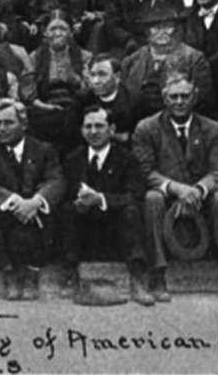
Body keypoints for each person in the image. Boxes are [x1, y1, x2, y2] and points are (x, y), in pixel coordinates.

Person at [133, 71, 218, 303]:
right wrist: (177, 189)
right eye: (173, 96)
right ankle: (157, 274)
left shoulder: (211, 128)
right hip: (167, 199)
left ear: (194, 96)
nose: (179, 102)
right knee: (151, 198)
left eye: (184, 96)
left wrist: (198, 189)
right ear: (164, 98)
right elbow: (146, 173)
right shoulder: (147, 128)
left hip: (200, 200)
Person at [0, 99, 64, 300]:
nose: (1, 129)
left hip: (35, 214)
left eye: (8, 123)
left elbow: (56, 180)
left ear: (24, 124)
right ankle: (9, 273)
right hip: (3, 213)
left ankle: (32, 274)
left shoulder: (43, 149)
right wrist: (14, 201)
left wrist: (36, 202)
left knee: (50, 206)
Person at [59, 106, 153, 306]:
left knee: (131, 211)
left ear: (112, 129)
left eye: (99, 126)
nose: (93, 132)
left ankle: (138, 279)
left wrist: (100, 199)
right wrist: (78, 204)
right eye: (88, 126)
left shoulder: (126, 158)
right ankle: (70, 275)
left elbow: (135, 195)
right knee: (67, 210)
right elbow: (64, 194)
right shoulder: (73, 159)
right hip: (84, 230)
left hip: (115, 229)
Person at [120, 2, 214, 120]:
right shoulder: (131, 61)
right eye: (155, 27)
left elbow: (203, 100)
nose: (162, 32)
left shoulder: (194, 59)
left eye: (167, 26)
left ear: (176, 29)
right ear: (147, 31)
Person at [25, 12, 91, 154]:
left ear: (71, 33)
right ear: (45, 34)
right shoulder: (35, 57)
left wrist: (73, 77)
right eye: (53, 29)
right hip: (44, 108)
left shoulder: (84, 56)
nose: (58, 33)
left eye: (62, 29)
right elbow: (27, 89)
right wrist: (44, 106)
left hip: (75, 108)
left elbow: (89, 90)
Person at [73, 53, 137, 146]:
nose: (96, 81)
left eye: (102, 75)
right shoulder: (82, 99)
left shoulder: (134, 100)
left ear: (117, 77)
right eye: (93, 75)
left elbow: (136, 136)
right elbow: (74, 133)